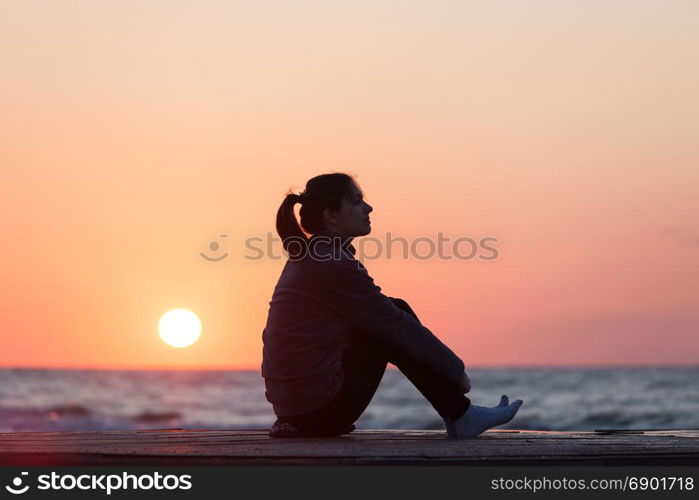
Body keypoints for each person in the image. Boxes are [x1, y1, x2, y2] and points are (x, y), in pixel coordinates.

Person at [261, 172, 522, 438]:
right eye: (357, 201)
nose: (368, 208)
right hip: (318, 413)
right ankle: (462, 415)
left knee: (391, 312)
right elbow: (393, 324)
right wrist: (454, 369)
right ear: (332, 216)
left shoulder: (313, 257)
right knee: (392, 319)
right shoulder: (332, 264)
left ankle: (460, 415)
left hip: (298, 413)